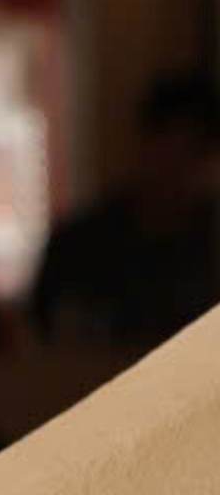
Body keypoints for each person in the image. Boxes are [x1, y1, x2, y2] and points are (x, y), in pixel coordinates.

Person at [25, 64, 220, 356]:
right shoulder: (79, 245)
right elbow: (39, 342)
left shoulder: (209, 247)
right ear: (143, 146)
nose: (174, 172)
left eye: (192, 156)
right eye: (167, 153)